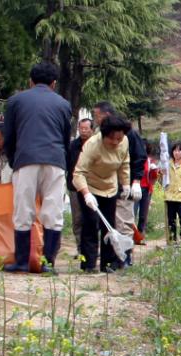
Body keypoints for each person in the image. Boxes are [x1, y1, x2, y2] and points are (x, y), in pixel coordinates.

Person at [2, 61, 72, 274]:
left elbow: (9, 135)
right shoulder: (63, 104)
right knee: (53, 211)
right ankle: (48, 263)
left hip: (26, 159)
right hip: (55, 160)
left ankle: (22, 262)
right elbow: (65, 137)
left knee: (23, 210)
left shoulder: (16, 101)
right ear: (54, 83)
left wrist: (14, 160)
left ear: (30, 81)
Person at [73, 114, 131, 273]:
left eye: (119, 139)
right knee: (91, 223)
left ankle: (108, 264)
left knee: (109, 226)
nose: (115, 142)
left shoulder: (124, 142)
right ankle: (89, 265)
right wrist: (86, 194)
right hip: (90, 187)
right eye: (111, 138)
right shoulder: (92, 145)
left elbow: (124, 164)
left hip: (110, 187)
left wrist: (126, 185)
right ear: (104, 135)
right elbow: (78, 173)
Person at [91, 101, 146, 266]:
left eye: (97, 115)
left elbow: (139, 157)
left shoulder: (128, 133)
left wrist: (136, 181)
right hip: (104, 185)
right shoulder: (98, 135)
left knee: (124, 221)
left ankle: (125, 257)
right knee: (107, 222)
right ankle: (110, 258)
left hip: (124, 185)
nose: (95, 119)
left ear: (106, 115)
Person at [66, 118, 94, 256]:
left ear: (92, 129)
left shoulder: (96, 145)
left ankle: (91, 248)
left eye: (86, 128)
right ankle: (80, 247)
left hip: (93, 187)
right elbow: (67, 165)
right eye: (81, 128)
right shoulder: (72, 146)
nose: (83, 131)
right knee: (77, 218)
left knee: (91, 218)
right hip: (74, 186)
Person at [135, 142, 161, 240]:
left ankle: (141, 235)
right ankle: (132, 235)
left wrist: (154, 170)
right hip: (135, 188)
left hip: (146, 189)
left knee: (143, 214)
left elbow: (154, 178)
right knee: (133, 212)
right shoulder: (134, 160)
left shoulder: (150, 161)